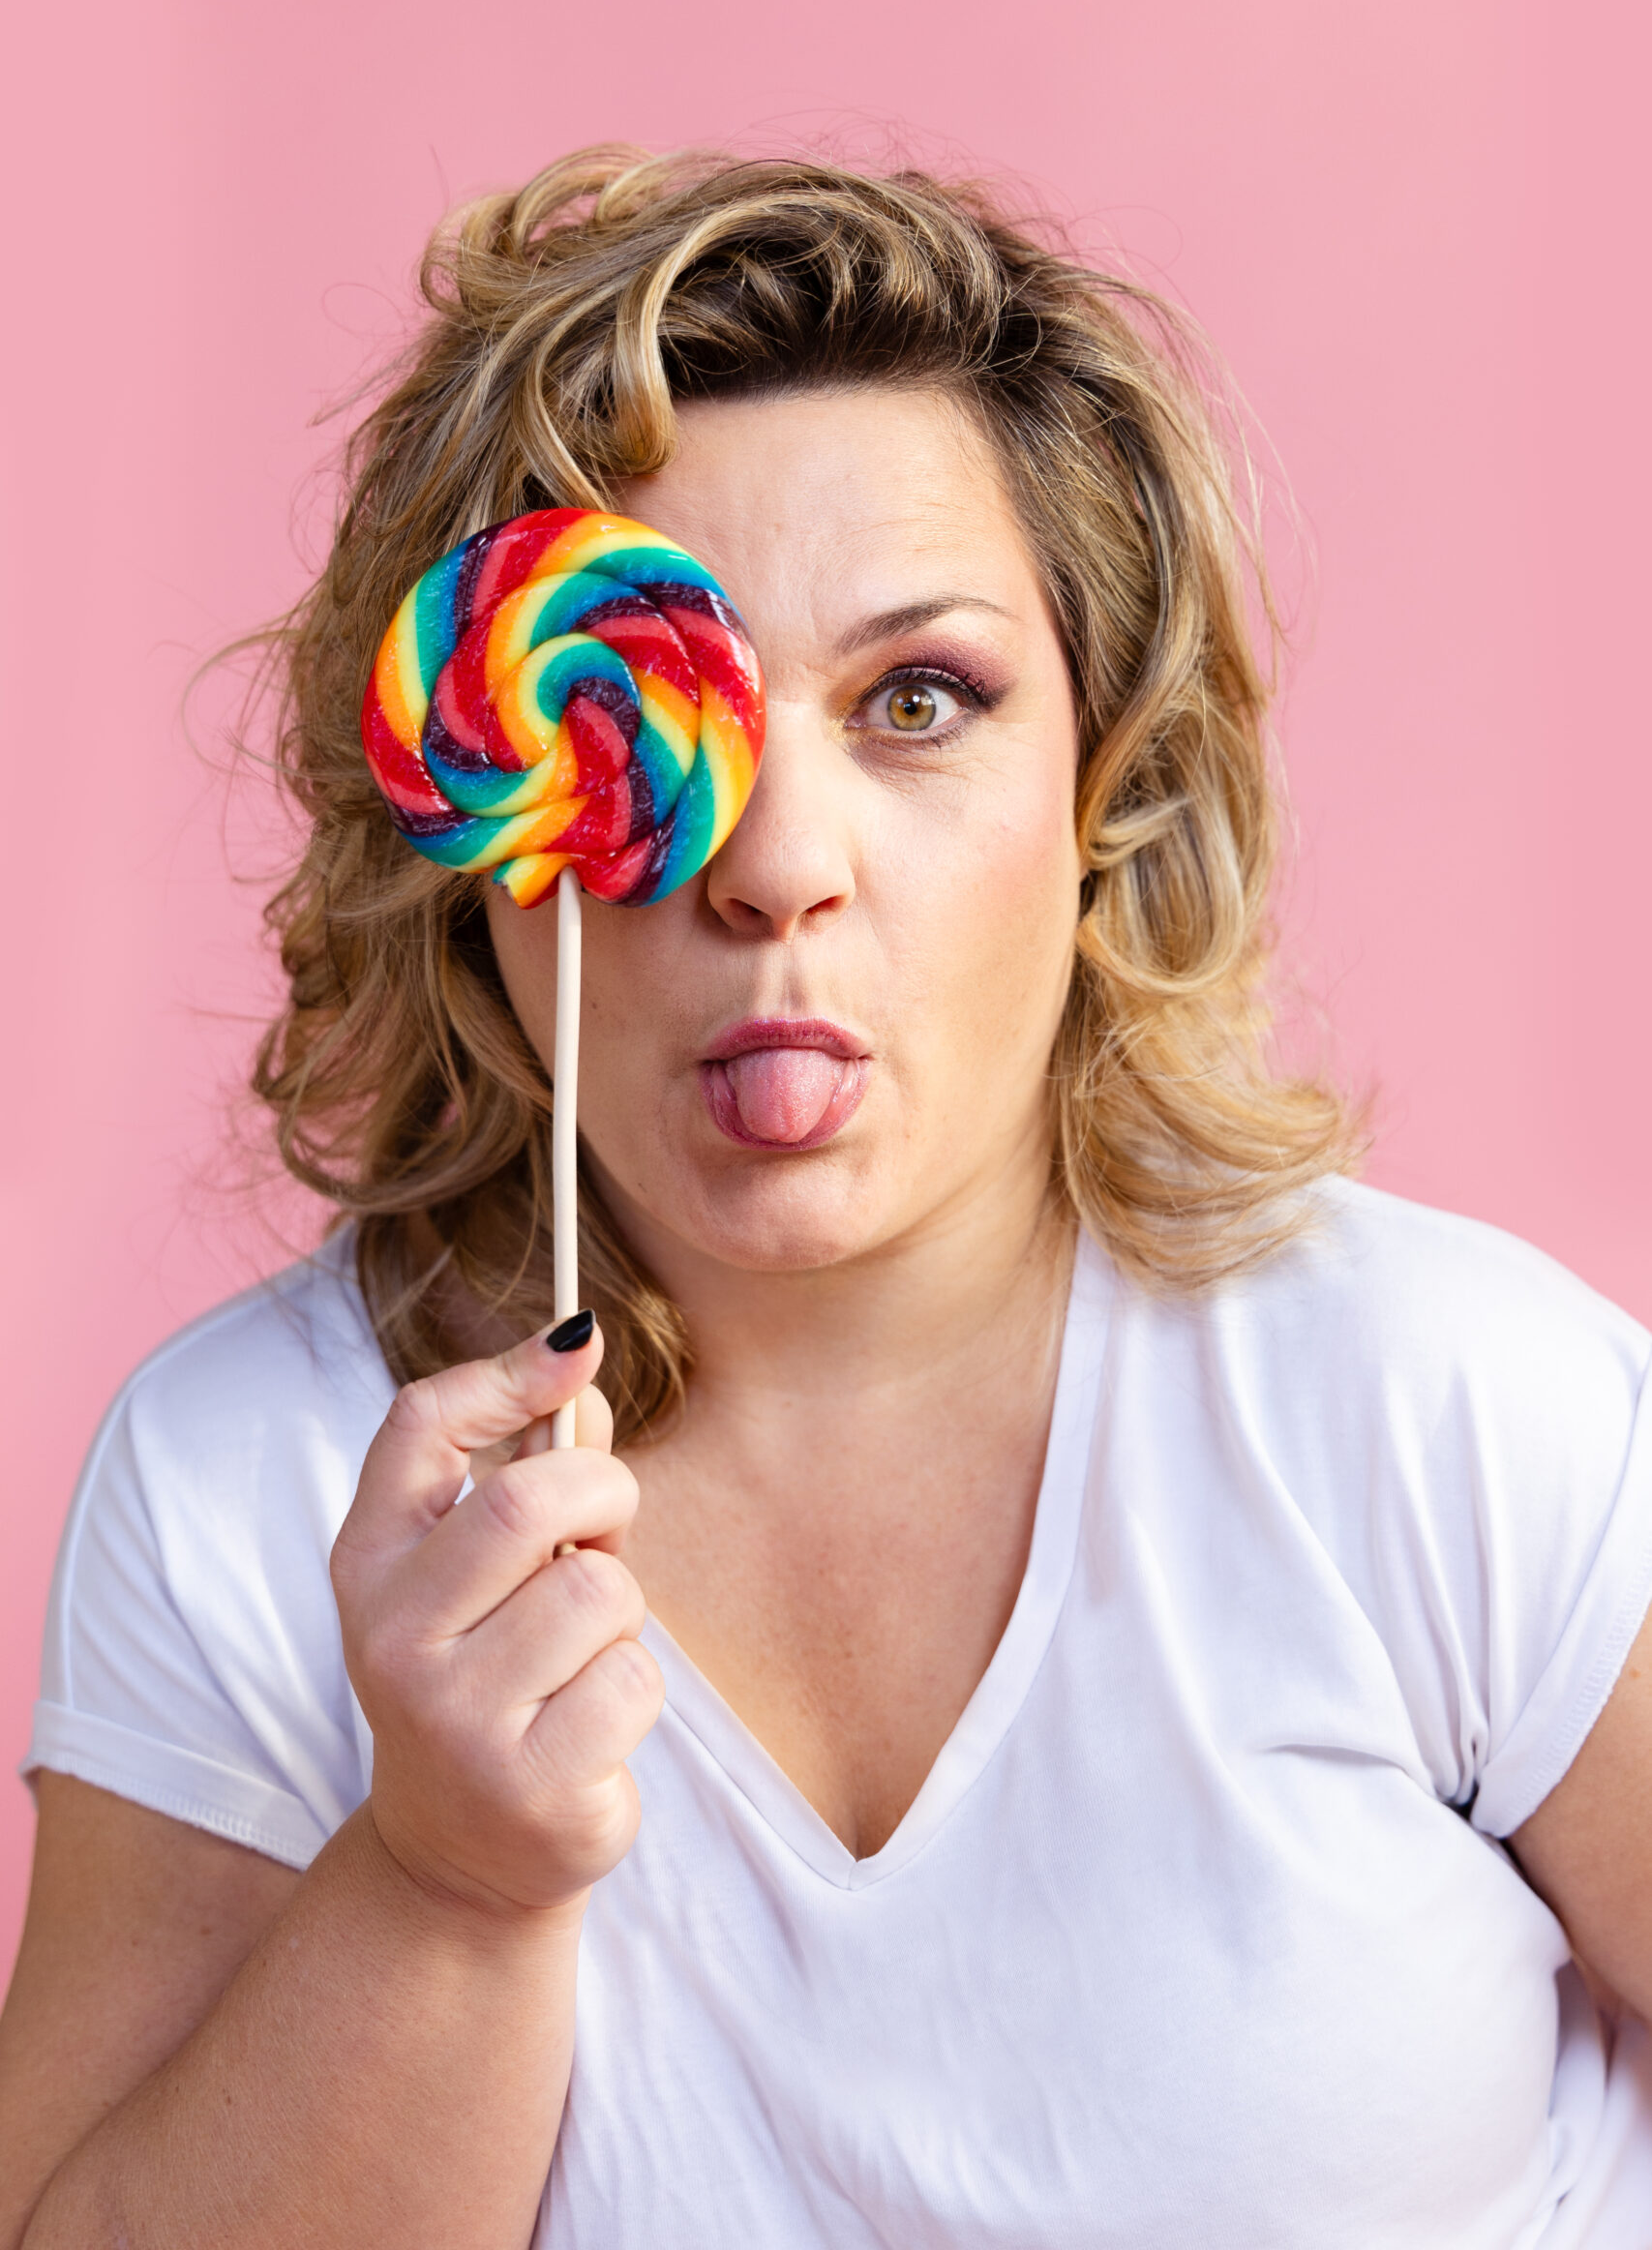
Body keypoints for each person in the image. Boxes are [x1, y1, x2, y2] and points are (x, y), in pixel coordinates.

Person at [2, 149, 1650, 2250]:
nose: (776, 862)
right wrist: (443, 1879)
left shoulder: (1441, 1409)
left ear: (1102, 789)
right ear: (478, 816)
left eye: (918, 700)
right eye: (632, 715)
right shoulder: (247, 1480)